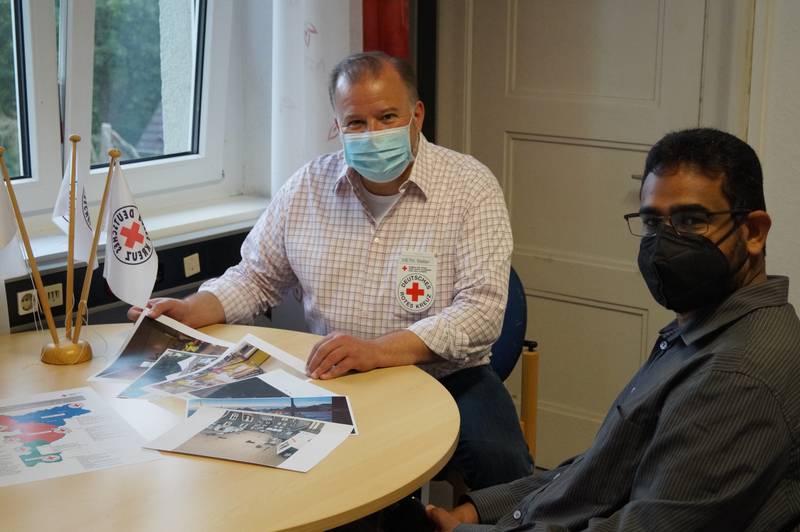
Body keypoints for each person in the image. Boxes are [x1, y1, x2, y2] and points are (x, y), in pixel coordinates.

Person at [129, 51, 532, 489]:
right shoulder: (308, 186)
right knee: (282, 473)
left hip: (448, 376)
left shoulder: (470, 186)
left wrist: (378, 351)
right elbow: (257, 276)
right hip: (336, 377)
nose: (372, 133)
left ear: (417, 116)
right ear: (337, 127)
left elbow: (481, 312)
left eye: (387, 117)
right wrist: (192, 309)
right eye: (356, 122)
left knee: (505, 471)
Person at [426, 128, 800, 531]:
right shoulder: (702, 330)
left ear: (753, 232)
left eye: (691, 220)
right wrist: (478, 511)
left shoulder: (735, 376)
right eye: (652, 222)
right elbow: (603, 469)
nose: (665, 243)